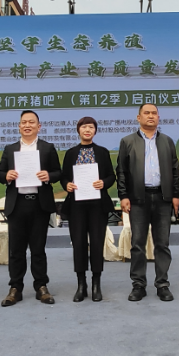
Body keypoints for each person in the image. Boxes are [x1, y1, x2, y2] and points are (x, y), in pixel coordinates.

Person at [0, 110, 62, 306]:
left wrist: (48, 176)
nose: (27, 125)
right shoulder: (10, 149)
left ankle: (41, 286)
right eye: (24, 122)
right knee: (16, 250)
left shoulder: (47, 148)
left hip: (39, 204)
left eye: (31, 122)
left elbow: (58, 172)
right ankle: (15, 288)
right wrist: (6, 176)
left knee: (38, 249)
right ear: (19, 126)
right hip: (17, 204)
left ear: (38, 127)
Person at [116, 103, 179, 302]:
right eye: (146, 113)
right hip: (138, 198)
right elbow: (121, 171)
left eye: (154, 113)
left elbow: (175, 170)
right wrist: (123, 196)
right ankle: (138, 285)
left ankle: (162, 285)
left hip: (162, 198)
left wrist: (175, 195)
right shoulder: (127, 141)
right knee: (137, 244)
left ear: (158, 117)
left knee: (162, 244)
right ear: (139, 117)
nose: (151, 116)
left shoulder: (167, 141)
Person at [60, 116, 116, 302]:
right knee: (79, 244)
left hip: (98, 205)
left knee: (97, 243)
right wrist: (67, 184)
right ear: (78, 130)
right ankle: (81, 284)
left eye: (91, 127)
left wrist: (104, 183)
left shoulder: (102, 152)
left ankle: (96, 284)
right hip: (76, 205)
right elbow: (64, 177)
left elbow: (111, 176)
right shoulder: (71, 153)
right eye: (84, 127)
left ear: (95, 131)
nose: (87, 130)